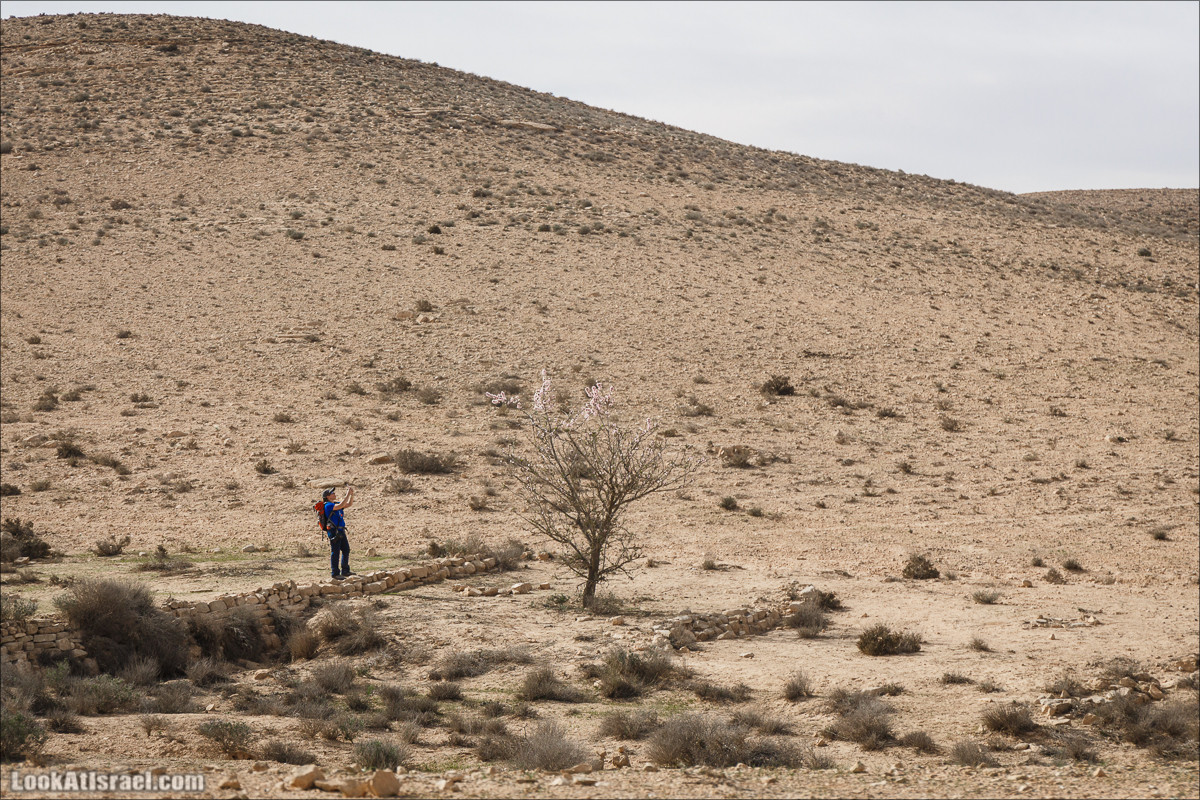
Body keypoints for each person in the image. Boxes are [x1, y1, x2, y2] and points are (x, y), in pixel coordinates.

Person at [323, 485, 356, 580]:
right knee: (335, 551)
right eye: (332, 493)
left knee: (346, 549)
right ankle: (335, 573)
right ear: (328, 497)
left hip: (340, 530)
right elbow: (341, 505)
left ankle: (345, 570)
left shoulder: (335, 504)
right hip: (334, 531)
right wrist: (347, 494)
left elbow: (348, 504)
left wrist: (351, 495)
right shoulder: (328, 505)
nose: (334, 494)